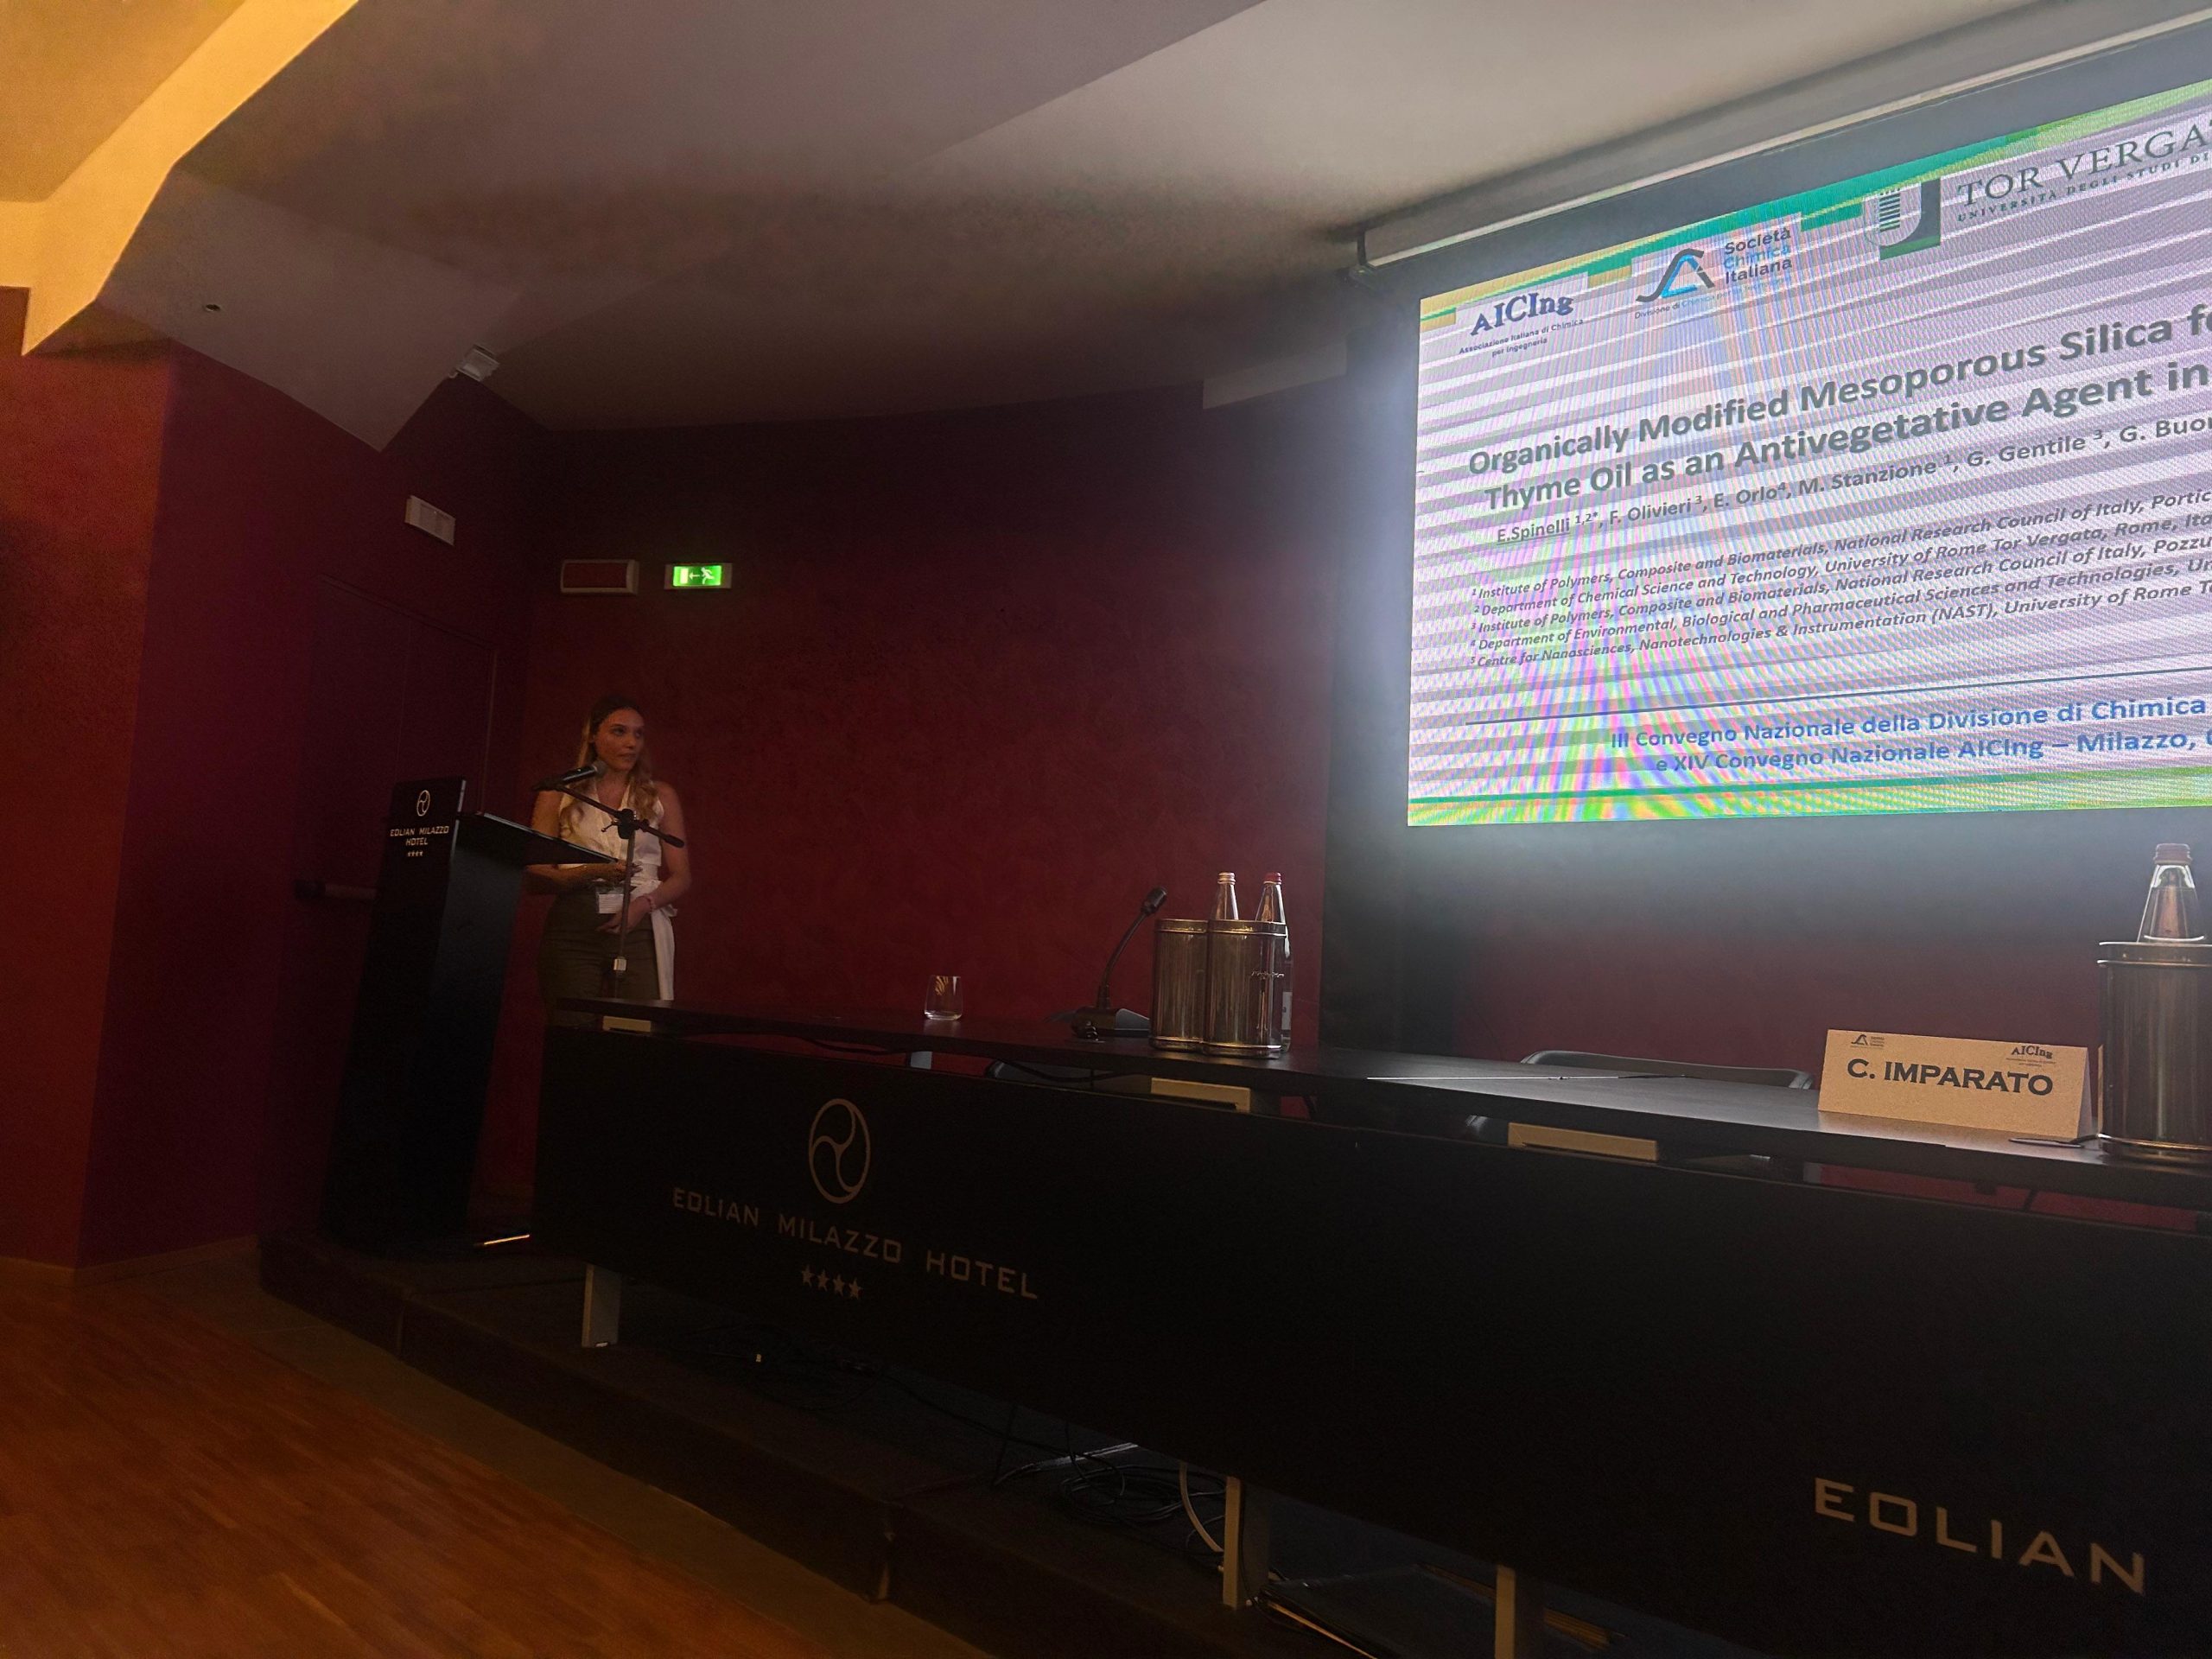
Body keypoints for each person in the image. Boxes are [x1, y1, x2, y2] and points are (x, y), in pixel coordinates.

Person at [529, 695, 691, 1024]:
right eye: (619, 732)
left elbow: (681, 876)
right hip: (575, 927)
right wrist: (589, 873)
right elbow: (535, 874)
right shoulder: (558, 793)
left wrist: (641, 906)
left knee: (634, 1030)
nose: (631, 743)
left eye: (638, 734)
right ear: (593, 735)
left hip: (638, 925)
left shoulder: (660, 795)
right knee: (573, 1030)